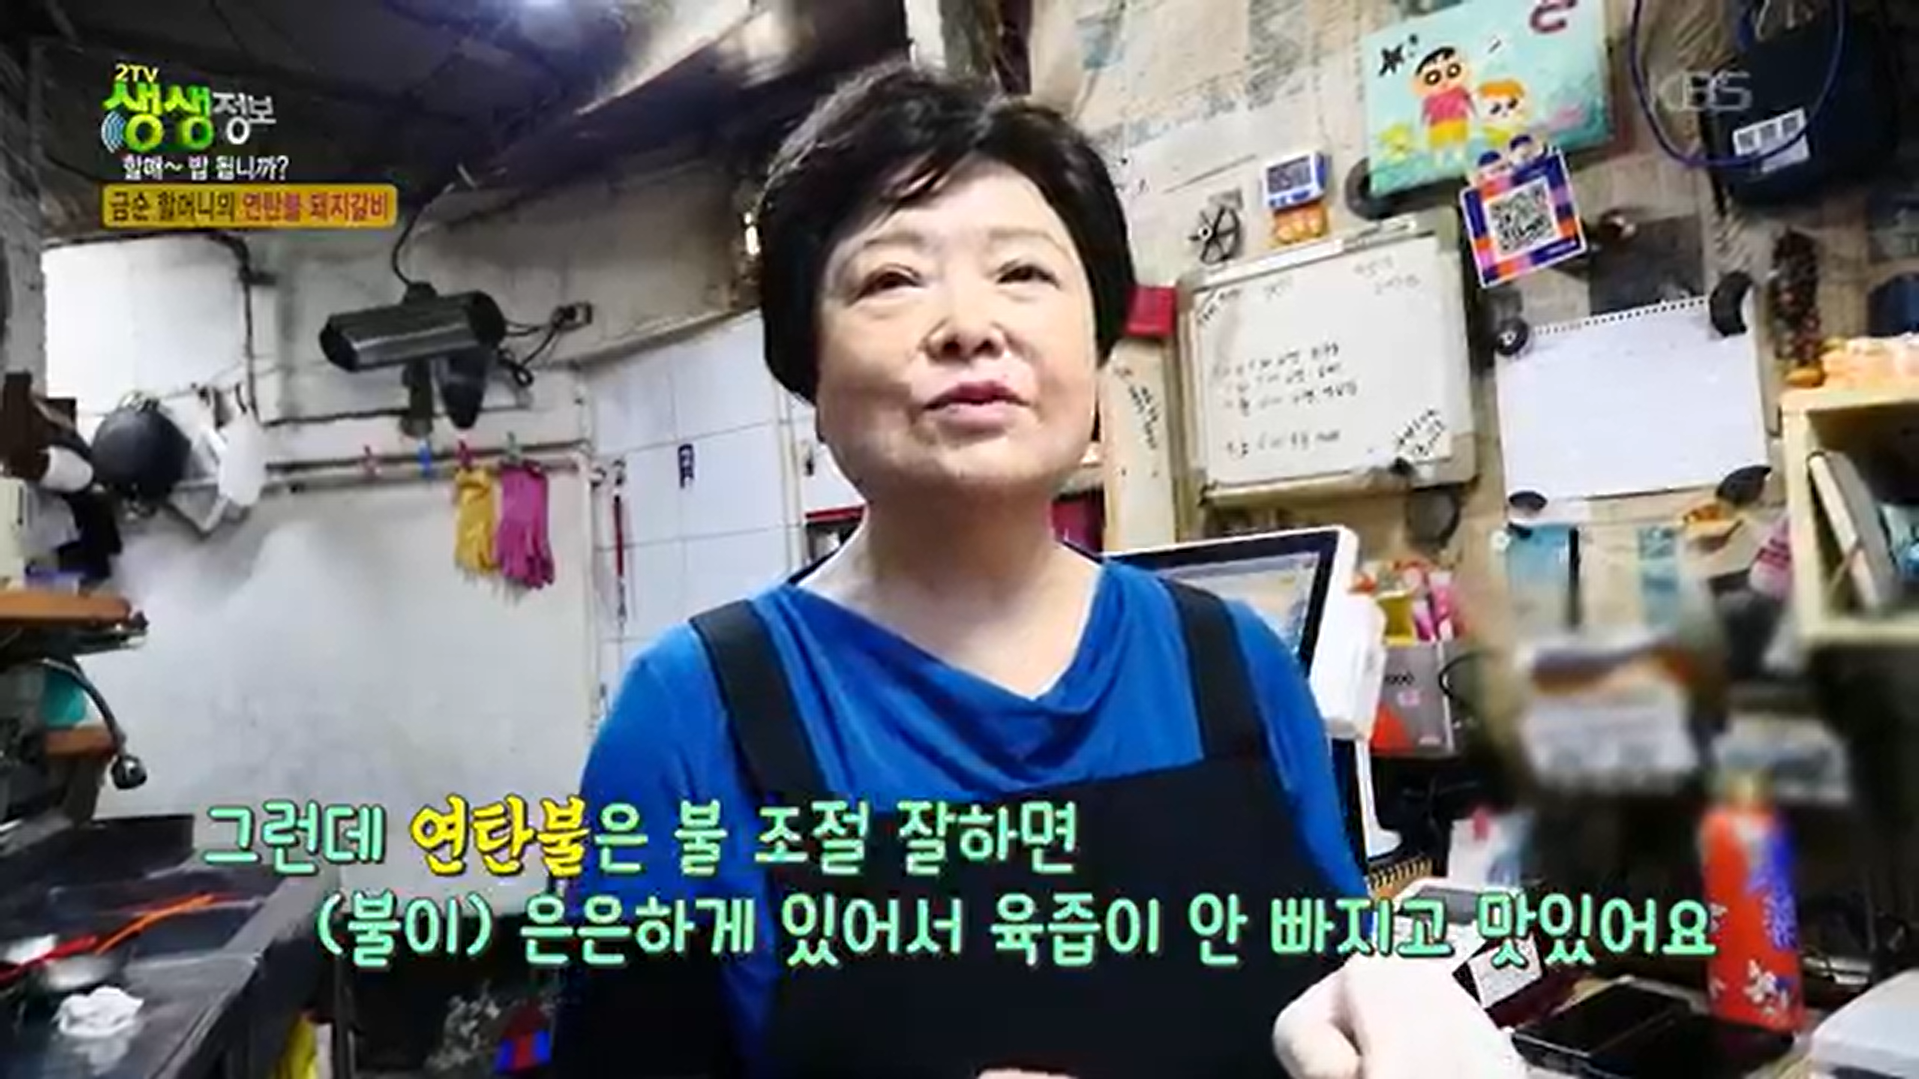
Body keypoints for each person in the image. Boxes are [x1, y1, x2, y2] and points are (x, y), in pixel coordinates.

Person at [556, 62, 1525, 1079]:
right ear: (809, 364)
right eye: (891, 279)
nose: (970, 325)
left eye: (1022, 272)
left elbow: (1336, 1014)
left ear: (1094, 341)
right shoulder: (691, 717)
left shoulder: (1232, 666)